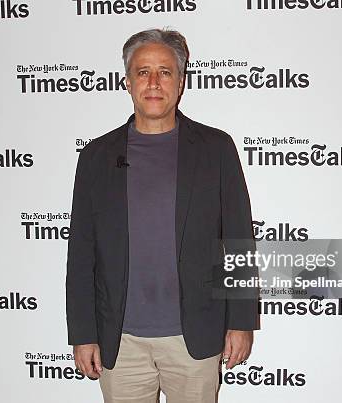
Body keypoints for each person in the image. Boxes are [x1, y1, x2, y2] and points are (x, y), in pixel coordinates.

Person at [66, 28, 259, 403]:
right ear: (127, 82)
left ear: (181, 81)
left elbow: (238, 240)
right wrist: (83, 332)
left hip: (195, 336)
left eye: (165, 72)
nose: (153, 82)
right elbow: (81, 254)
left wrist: (241, 321)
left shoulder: (216, 149)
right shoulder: (96, 157)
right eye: (143, 72)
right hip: (119, 340)